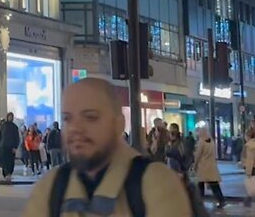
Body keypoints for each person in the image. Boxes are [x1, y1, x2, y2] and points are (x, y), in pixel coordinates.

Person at [22, 78, 194, 216]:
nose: (75, 128)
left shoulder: (155, 183)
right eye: (68, 119)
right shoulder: (51, 187)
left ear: (118, 124)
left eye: (90, 117)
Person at [193, 126, 227, 210]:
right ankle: (221, 200)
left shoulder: (201, 142)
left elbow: (198, 155)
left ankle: (199, 202)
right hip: (211, 166)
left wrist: (195, 165)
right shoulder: (211, 141)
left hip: (203, 166)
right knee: (214, 184)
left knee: (200, 185)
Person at [0, 112, 22, 182]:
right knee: (4, 161)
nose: (10, 118)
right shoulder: (3, 126)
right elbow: (0, 136)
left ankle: (9, 173)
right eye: (9, 116)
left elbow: (17, 138)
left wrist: (15, 147)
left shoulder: (14, 127)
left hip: (11, 147)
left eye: (11, 117)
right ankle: (5, 173)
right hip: (3, 146)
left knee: (10, 161)